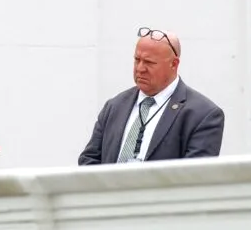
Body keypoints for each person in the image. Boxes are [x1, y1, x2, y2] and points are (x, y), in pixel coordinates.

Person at [78, 27, 224, 165]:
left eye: (149, 62)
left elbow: (195, 175)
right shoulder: (114, 106)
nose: (140, 68)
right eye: (137, 60)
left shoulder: (203, 115)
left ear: (174, 64)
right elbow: (89, 160)